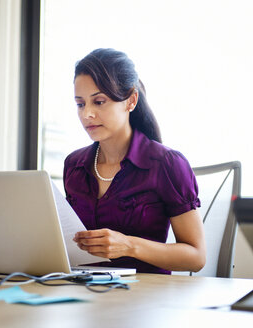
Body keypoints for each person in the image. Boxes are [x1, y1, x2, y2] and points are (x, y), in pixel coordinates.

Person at [63, 48, 206, 274]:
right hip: (86, 293)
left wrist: (129, 246)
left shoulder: (167, 164)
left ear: (131, 101)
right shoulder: (74, 165)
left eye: (99, 102)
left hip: (146, 296)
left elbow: (196, 257)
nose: (86, 114)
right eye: (80, 104)